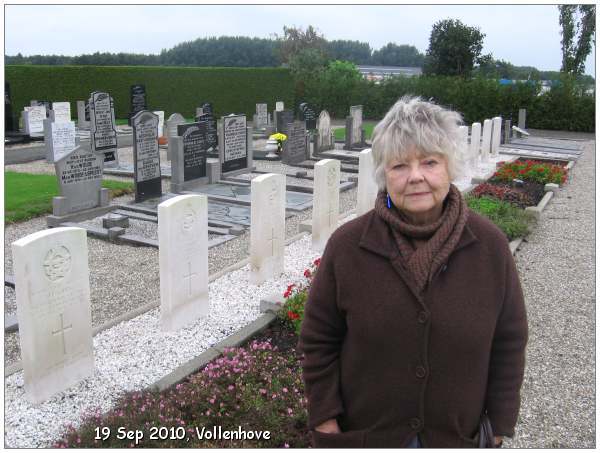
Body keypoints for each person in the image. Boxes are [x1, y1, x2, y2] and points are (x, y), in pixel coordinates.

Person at [298, 96, 528, 448]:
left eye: (430, 162)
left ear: (450, 167)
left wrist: (498, 424)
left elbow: (508, 340)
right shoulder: (348, 247)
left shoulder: (489, 246)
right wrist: (326, 419)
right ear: (383, 175)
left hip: (456, 437)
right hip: (368, 437)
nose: (416, 176)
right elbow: (318, 339)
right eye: (399, 165)